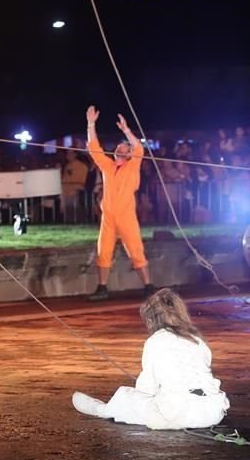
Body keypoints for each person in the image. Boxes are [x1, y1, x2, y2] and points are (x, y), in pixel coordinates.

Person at [72, 287, 230, 430]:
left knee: (128, 398)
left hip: (177, 414)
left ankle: (102, 410)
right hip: (212, 412)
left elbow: (146, 389)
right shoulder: (197, 339)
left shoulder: (155, 340)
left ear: (152, 320)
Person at [86, 106, 153, 300]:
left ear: (128, 154)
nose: (118, 151)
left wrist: (126, 131)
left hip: (126, 215)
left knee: (136, 249)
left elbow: (139, 148)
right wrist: (91, 124)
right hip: (108, 216)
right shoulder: (107, 166)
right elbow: (94, 148)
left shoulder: (133, 166)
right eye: (117, 149)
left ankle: (148, 286)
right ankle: (102, 288)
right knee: (103, 251)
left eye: (123, 149)